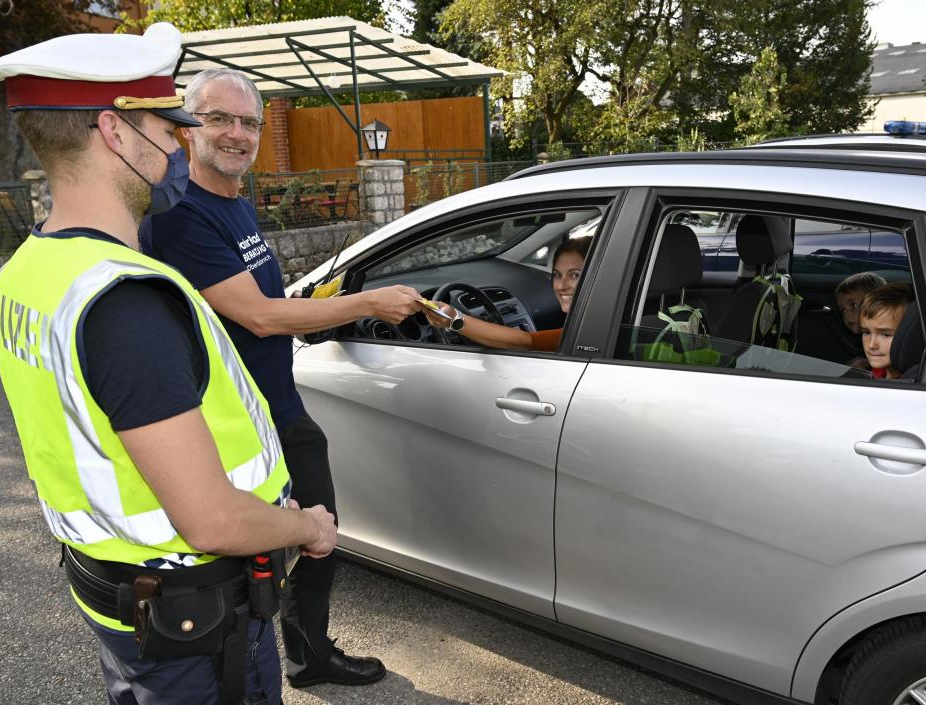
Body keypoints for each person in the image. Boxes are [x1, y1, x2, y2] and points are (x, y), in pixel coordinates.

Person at [0, 24, 337, 705]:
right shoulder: (125, 301)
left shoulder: (30, 269)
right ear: (115, 133)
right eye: (167, 128)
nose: (180, 144)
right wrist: (307, 525)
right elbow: (212, 520)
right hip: (197, 636)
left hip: (124, 603)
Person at [142, 68, 421, 688]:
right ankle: (258, 666)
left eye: (248, 122)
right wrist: (365, 304)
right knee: (269, 549)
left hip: (277, 403)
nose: (236, 134)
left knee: (316, 531)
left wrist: (318, 302)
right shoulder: (184, 216)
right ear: (190, 127)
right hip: (240, 424)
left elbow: (260, 297)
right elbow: (261, 317)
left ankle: (305, 653)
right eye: (219, 119)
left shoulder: (233, 203)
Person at [424, 236, 592, 349]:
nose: (561, 286)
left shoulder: (592, 332)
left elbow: (525, 342)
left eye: (575, 275)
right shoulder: (598, 324)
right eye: (557, 275)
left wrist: (453, 319)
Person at [859, 282, 915, 379]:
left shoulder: (915, 382)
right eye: (866, 332)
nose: (871, 345)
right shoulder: (875, 373)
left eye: (885, 335)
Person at [835, 272, 886, 369]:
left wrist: (869, 365)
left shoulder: (888, 336)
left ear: (877, 303)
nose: (846, 314)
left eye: (854, 305)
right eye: (843, 310)